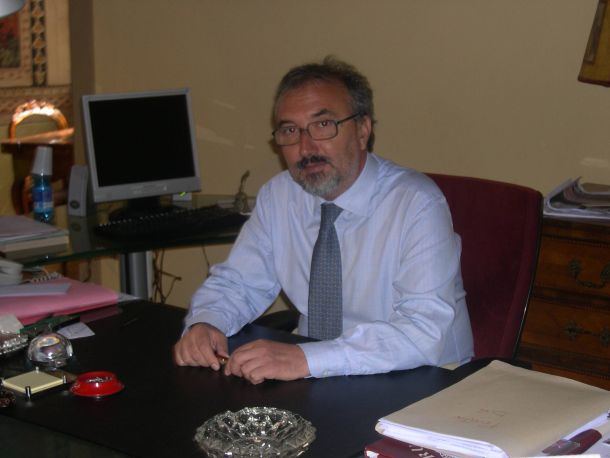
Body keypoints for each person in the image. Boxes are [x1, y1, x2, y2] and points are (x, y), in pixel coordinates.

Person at [174, 56, 473, 384]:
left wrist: (306, 359)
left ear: (362, 130)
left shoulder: (416, 204)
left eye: (323, 125)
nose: (305, 147)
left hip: (419, 379)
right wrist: (206, 322)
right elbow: (239, 283)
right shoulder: (279, 195)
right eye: (290, 130)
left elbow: (423, 331)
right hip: (313, 375)